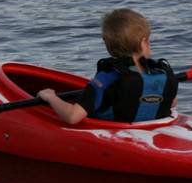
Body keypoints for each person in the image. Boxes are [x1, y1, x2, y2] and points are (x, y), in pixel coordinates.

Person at [37, 8, 178, 124]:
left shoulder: (107, 79)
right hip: (152, 129)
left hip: (116, 132)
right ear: (143, 42)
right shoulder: (160, 73)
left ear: (106, 43)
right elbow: (172, 103)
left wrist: (51, 97)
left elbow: (72, 117)